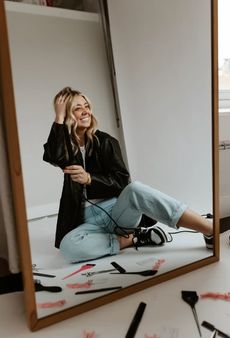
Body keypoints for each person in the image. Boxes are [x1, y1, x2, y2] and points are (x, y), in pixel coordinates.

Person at [43, 87, 213, 263]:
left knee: (135, 189)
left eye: (87, 106)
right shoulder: (66, 147)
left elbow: (122, 181)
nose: (86, 111)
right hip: (83, 219)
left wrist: (90, 179)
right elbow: (52, 156)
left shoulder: (106, 141)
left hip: (116, 211)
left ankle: (209, 229)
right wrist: (58, 118)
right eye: (78, 108)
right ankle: (132, 239)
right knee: (68, 247)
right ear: (68, 114)